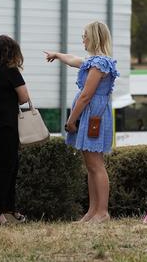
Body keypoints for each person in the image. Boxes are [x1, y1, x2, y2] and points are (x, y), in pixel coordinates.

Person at [44, 21, 119, 223]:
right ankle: (92, 211)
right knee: (91, 165)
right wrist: (58, 55)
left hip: (93, 114)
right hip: (92, 113)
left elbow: (86, 95)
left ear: (93, 37)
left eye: (84, 35)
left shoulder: (99, 63)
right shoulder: (94, 61)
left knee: (96, 164)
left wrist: (71, 120)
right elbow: (73, 59)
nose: (82, 39)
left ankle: (102, 212)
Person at [0, 35, 30, 225]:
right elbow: (24, 97)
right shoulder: (12, 72)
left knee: (4, 168)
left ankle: (7, 210)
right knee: (9, 170)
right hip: (9, 125)